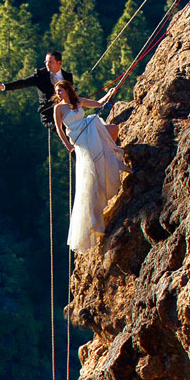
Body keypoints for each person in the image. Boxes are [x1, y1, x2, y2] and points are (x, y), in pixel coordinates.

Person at [52, 77, 129, 254]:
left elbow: (97, 103)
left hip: (89, 131)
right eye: (57, 92)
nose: (58, 94)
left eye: (61, 91)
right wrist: (67, 145)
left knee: (112, 130)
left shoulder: (77, 100)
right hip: (80, 139)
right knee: (96, 157)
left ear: (67, 90)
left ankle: (115, 162)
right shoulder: (58, 108)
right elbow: (59, 129)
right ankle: (120, 166)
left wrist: (110, 94)